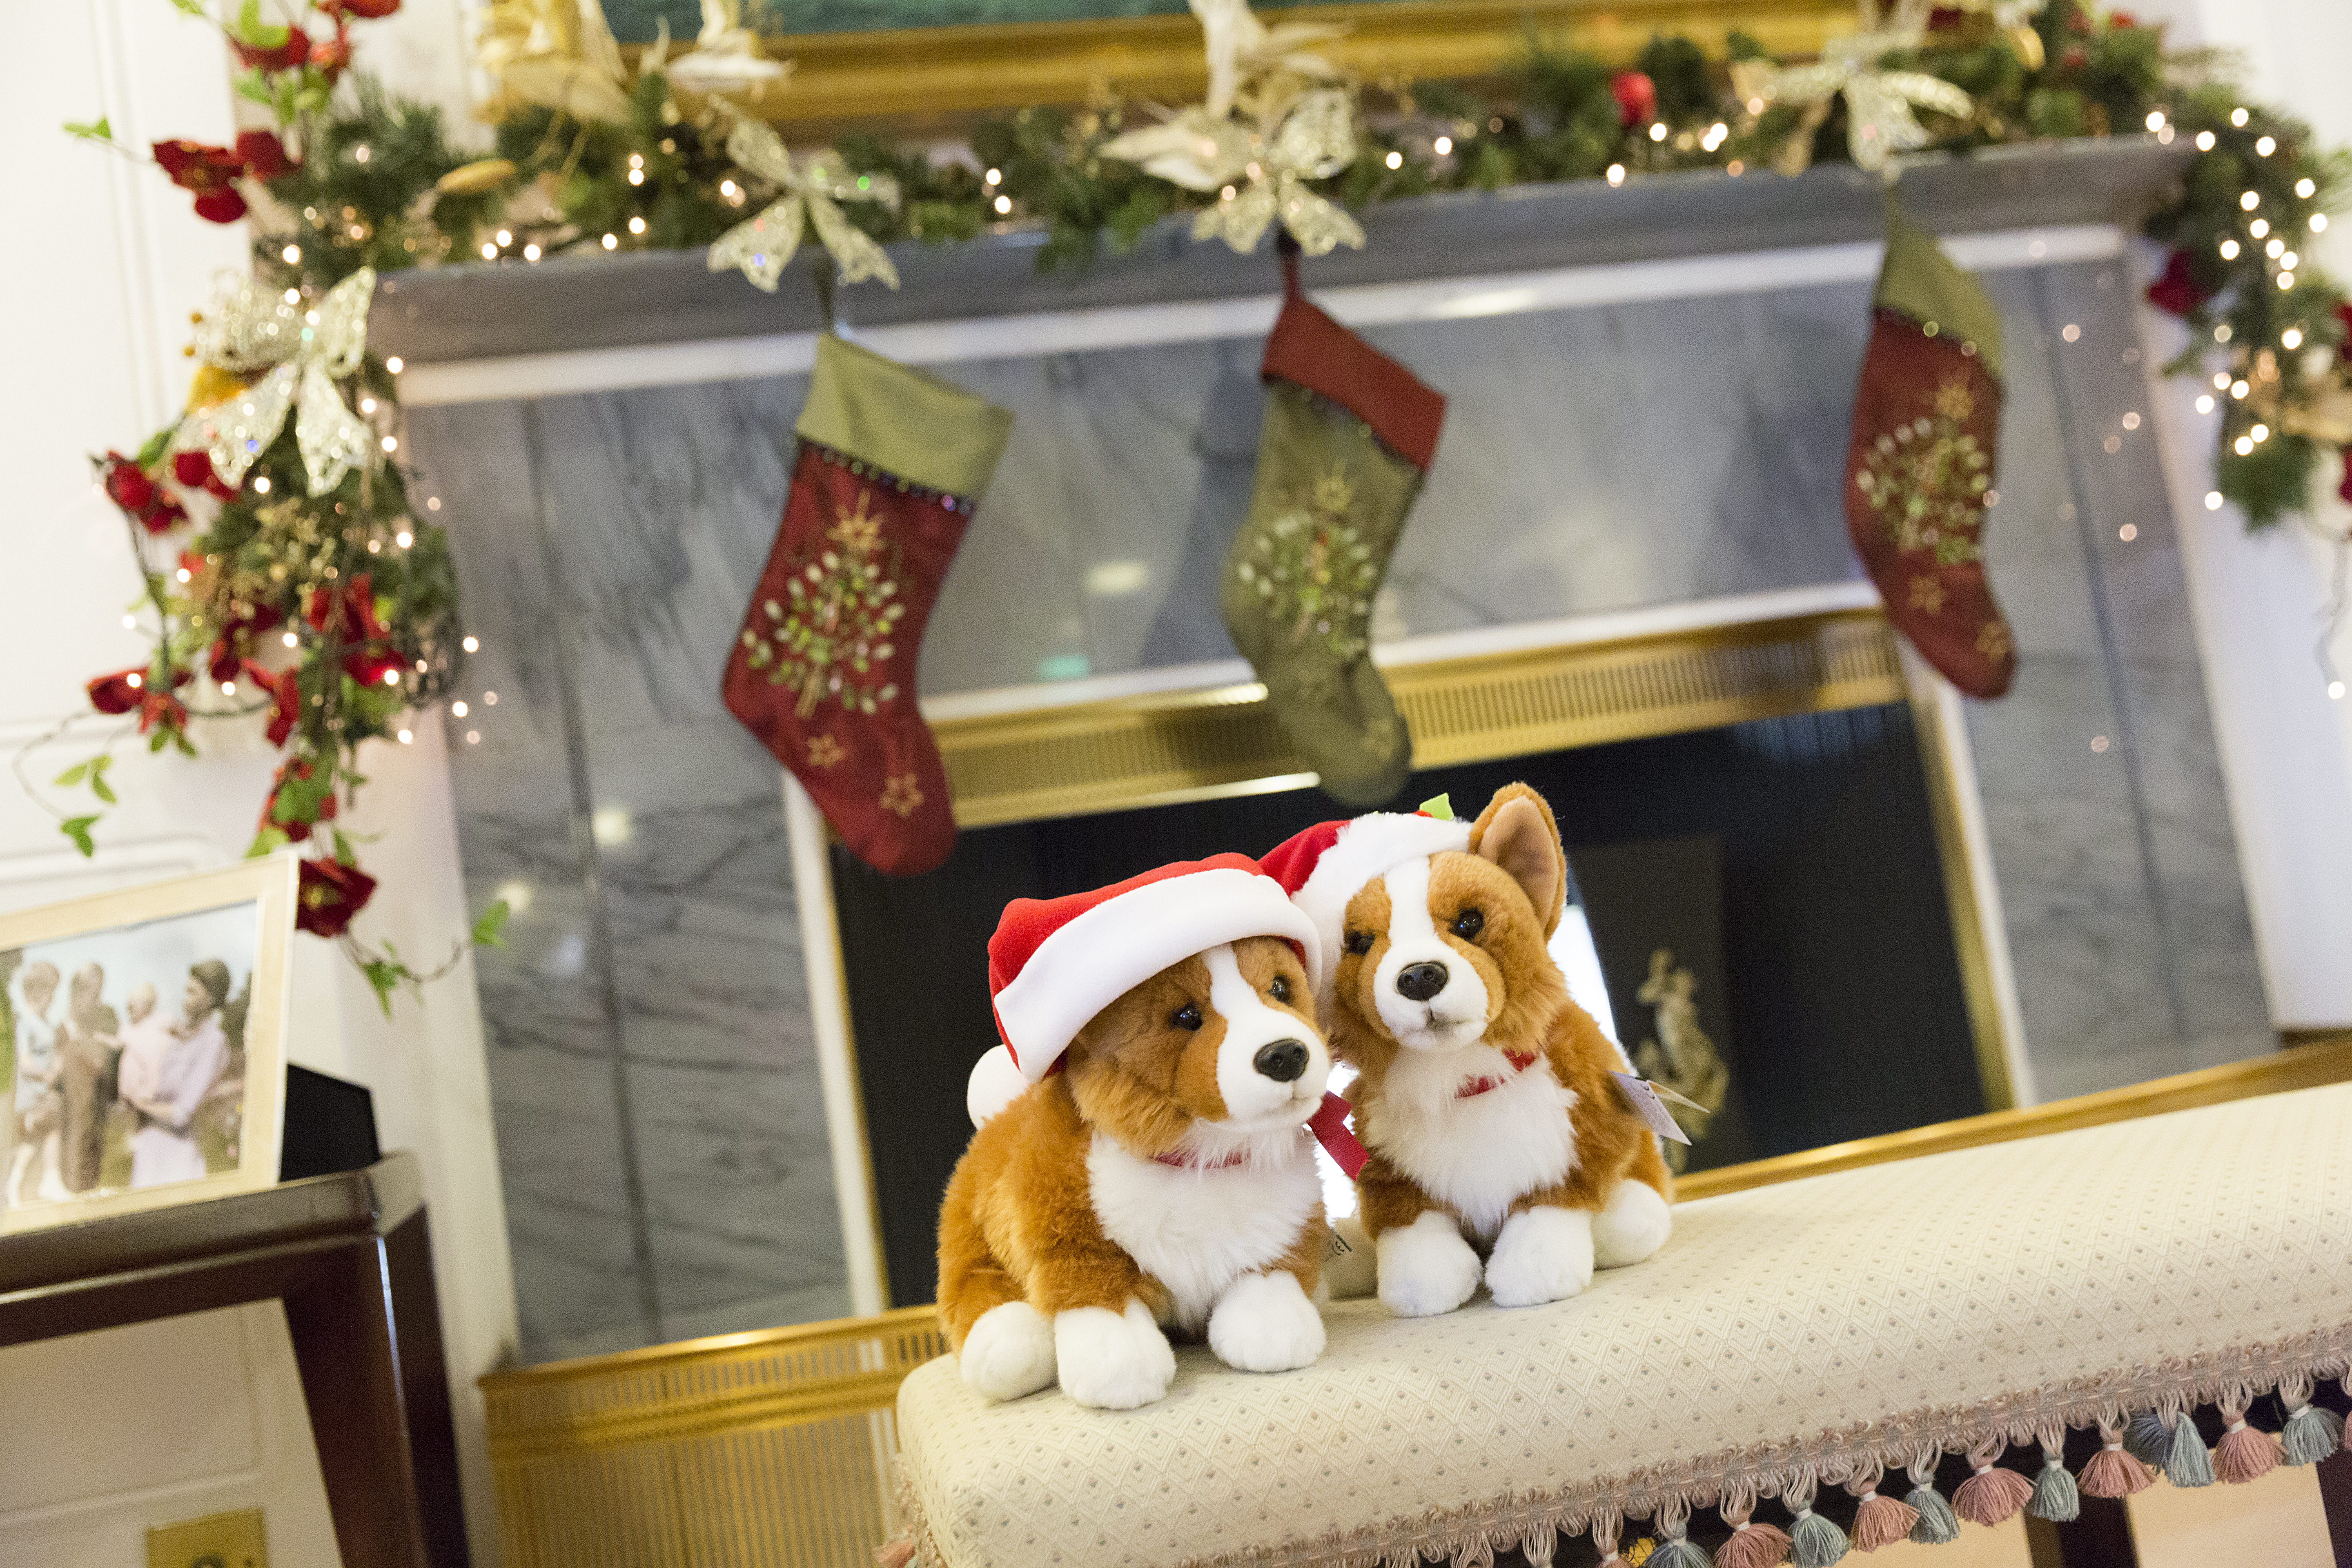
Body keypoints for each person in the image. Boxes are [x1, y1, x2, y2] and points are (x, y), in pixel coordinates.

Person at [123, 960, 233, 1188]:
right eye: (186, 991)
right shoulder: (179, 1035)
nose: (185, 999)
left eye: (192, 992)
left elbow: (182, 1113)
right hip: (149, 1144)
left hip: (177, 1153)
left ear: (211, 998)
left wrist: (139, 1104)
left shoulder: (214, 1041)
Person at [56, 963, 122, 1194]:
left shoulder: (106, 1018)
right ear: (76, 992)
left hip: (99, 1107)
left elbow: (110, 1056)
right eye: (91, 993)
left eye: (98, 992)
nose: (96, 1000)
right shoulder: (61, 1029)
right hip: (71, 1110)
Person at [7, 961, 63, 1205]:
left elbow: (52, 1055)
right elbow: (24, 1062)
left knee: (34, 1141)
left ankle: (15, 1184)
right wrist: (46, 1074)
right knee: (50, 1125)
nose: (52, 999)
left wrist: (57, 1066)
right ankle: (50, 1180)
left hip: (41, 1093)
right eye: (49, 992)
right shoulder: (26, 1023)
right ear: (36, 992)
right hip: (29, 1097)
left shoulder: (47, 1024)